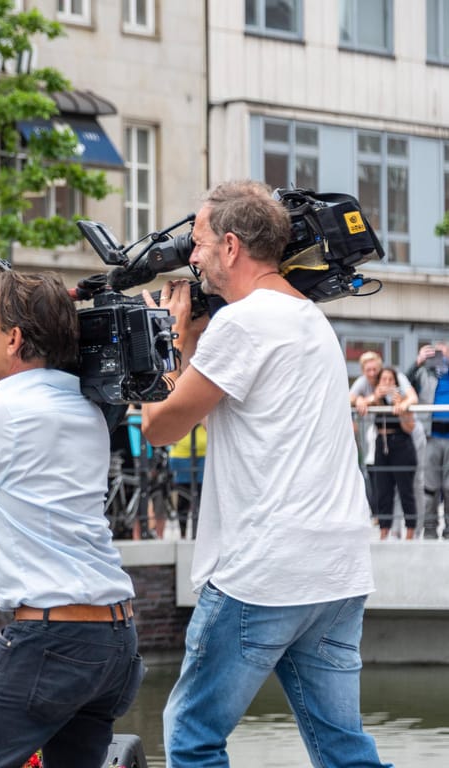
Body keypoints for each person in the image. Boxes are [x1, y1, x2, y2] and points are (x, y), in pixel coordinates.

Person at [140, 180, 387, 767]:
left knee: (192, 733)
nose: (191, 259)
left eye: (196, 244)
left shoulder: (243, 324)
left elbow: (159, 427)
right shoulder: (307, 319)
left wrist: (169, 339)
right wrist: (197, 340)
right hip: (337, 566)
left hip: (265, 571)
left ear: (230, 246)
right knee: (342, 746)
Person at [0, 272, 141, 768]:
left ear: (16, 338)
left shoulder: (2, 412)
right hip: (116, 638)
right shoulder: (88, 407)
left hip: (52, 637)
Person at [369, 367, 418, 540]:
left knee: (406, 491)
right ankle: (384, 531)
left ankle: (410, 531)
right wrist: (374, 398)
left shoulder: (402, 399)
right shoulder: (376, 399)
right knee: (383, 491)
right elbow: (359, 402)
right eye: (384, 379)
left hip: (401, 445)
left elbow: (409, 427)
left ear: (396, 382)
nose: (387, 383)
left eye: (391, 379)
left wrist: (402, 408)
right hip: (381, 446)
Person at [411, 340, 449, 539]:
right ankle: (430, 529)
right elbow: (403, 387)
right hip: (432, 435)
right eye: (438, 353)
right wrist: (417, 362)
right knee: (430, 486)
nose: (441, 357)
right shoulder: (425, 372)